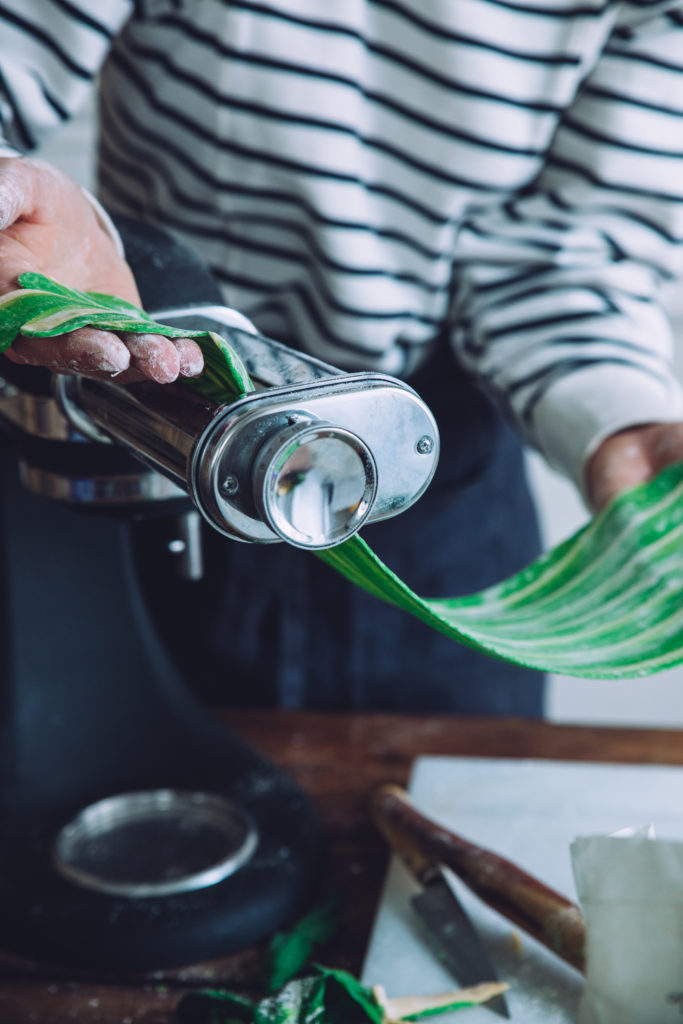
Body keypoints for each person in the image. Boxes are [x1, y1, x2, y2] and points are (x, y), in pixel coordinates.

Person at [0, 0, 682, 713]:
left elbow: (562, 254)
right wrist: (16, 209)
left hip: (432, 487)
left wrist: (622, 422)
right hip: (153, 438)